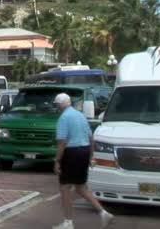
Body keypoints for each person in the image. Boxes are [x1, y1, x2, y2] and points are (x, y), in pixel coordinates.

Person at [52, 93, 113, 229]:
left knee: (65, 187)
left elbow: (62, 141)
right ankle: (103, 212)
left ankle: (68, 222)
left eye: (56, 105)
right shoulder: (80, 116)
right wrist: (91, 156)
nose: (56, 107)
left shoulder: (64, 118)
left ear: (60, 105)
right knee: (80, 187)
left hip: (71, 153)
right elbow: (91, 138)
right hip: (84, 151)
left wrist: (57, 161)